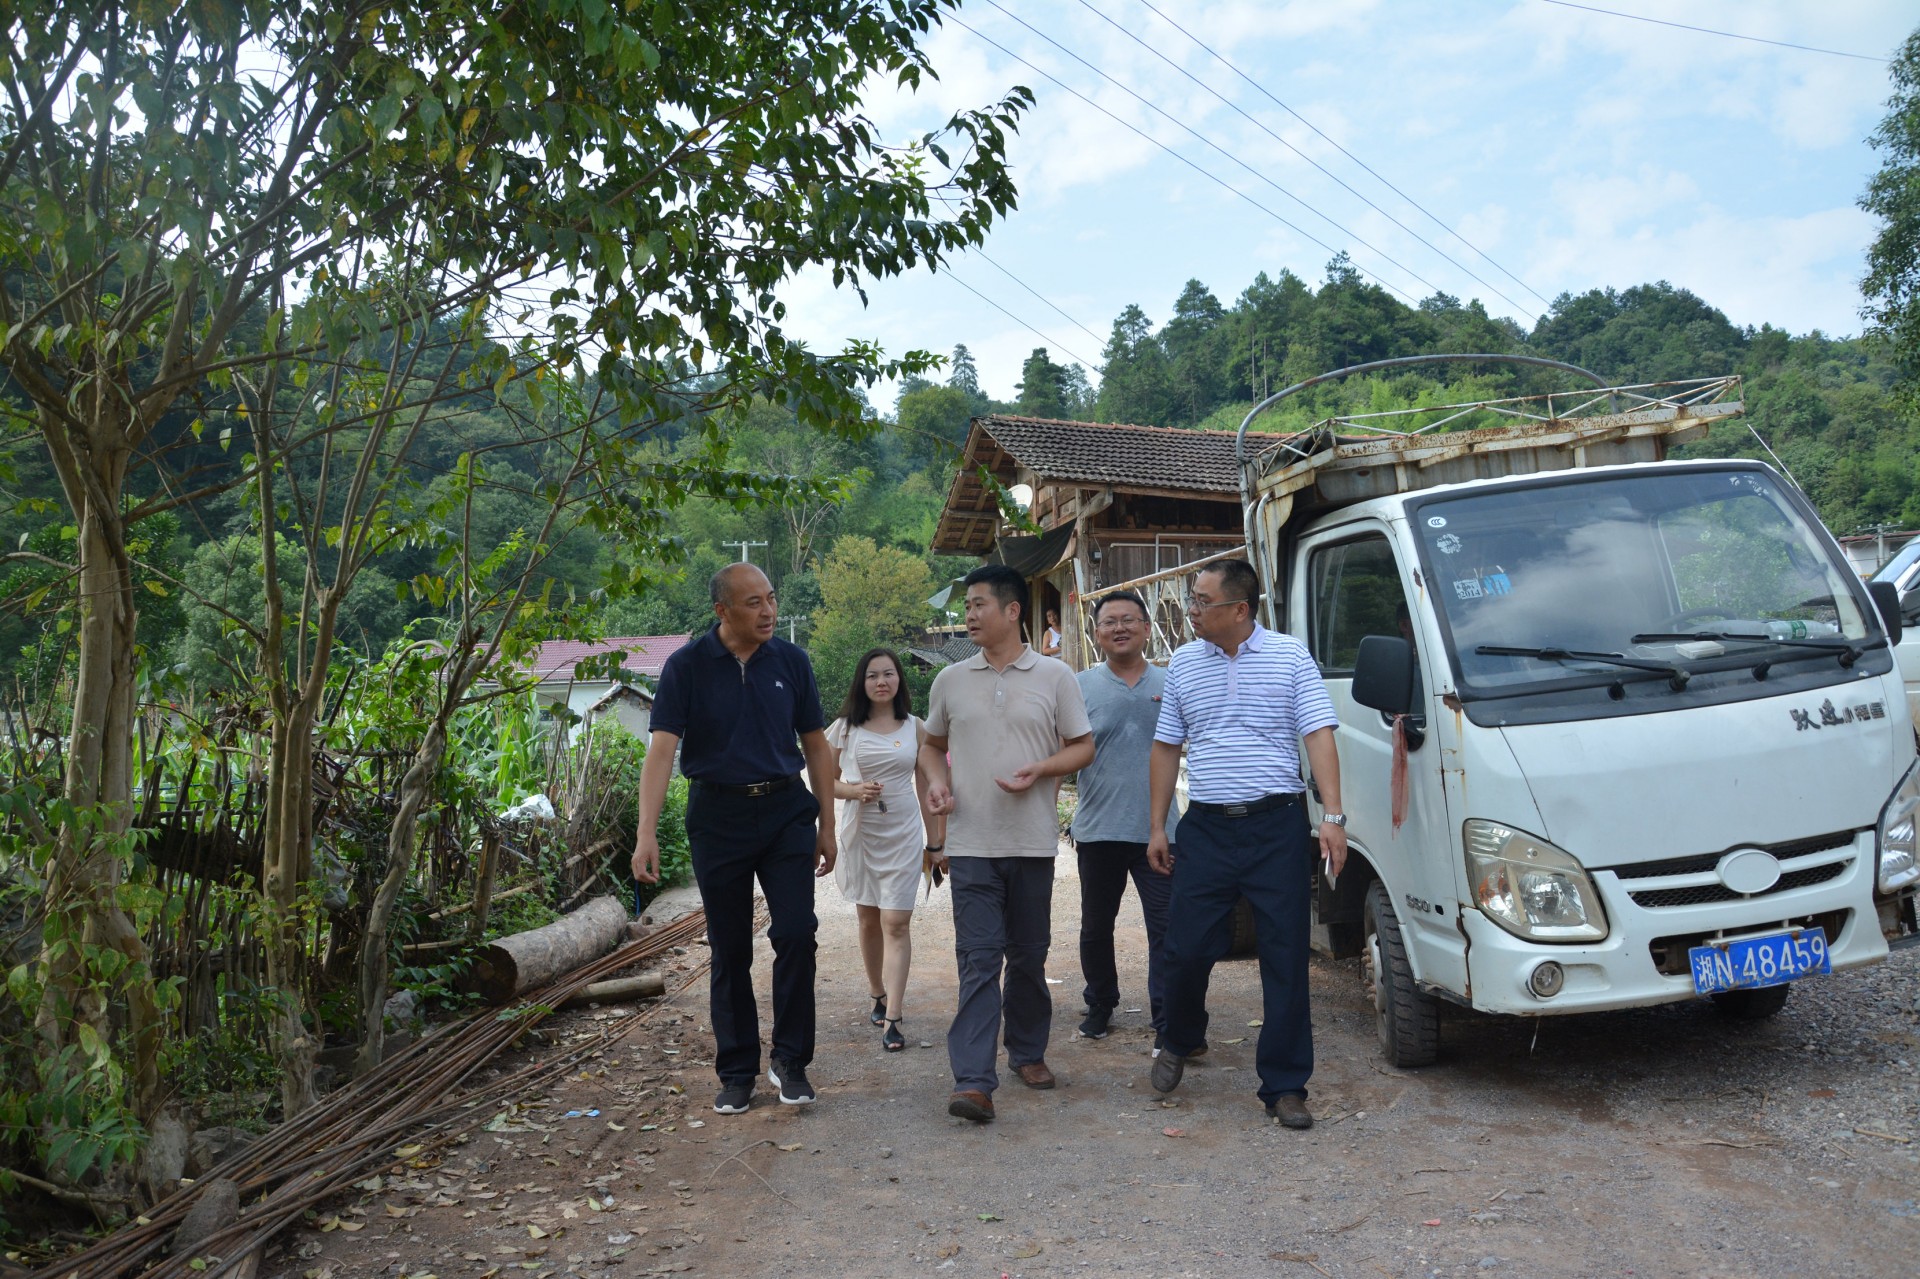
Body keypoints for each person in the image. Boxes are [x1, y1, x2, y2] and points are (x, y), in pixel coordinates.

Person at [1145, 558, 1347, 1130]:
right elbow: (1166, 747)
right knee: (1184, 947)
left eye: (1201, 600)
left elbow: (1318, 734)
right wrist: (1158, 826)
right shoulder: (1183, 663)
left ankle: (1285, 1086)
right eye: (1192, 599)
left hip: (1276, 826)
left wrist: (1332, 815)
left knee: (1284, 955)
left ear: (1239, 608)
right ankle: (1180, 1037)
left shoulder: (1290, 657)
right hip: (1206, 828)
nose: (1191, 609)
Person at [631, 562, 837, 1115]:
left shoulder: (791, 662)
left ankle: (791, 1062)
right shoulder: (686, 667)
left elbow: (817, 745)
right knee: (730, 947)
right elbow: (661, 751)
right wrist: (645, 832)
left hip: (785, 811)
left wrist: (827, 824)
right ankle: (738, 1069)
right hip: (717, 816)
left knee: (796, 932)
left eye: (771, 598)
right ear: (722, 610)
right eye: (753, 603)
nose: (768, 611)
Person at [921, 564, 1094, 1124]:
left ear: (1012, 610)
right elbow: (930, 747)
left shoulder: (1055, 676)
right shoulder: (950, 680)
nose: (968, 615)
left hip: (1031, 843)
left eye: (977, 605)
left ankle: (1027, 1051)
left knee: (1027, 955)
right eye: (966, 606)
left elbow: (1082, 747)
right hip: (970, 844)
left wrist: (1041, 768)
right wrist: (939, 781)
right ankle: (973, 1081)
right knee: (977, 959)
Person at [825, 648, 944, 1053]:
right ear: (862, 682)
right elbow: (823, 781)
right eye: (873, 675)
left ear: (899, 680)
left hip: (903, 832)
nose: (881, 681)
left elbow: (928, 785)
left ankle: (893, 1016)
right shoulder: (844, 728)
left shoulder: (916, 728)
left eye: (889, 674)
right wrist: (853, 791)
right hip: (860, 832)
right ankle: (876, 992)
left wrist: (936, 843)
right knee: (868, 918)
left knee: (896, 920)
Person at [1071, 590, 1176, 1046]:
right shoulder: (1077, 687)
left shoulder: (1172, 681)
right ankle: (1100, 1002)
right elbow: (1058, 748)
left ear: (1146, 628)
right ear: (1096, 633)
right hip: (1098, 829)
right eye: (1109, 621)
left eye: (1129, 620)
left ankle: (1168, 1019)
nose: (1119, 628)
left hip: (1161, 832)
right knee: (1096, 926)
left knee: (1168, 928)